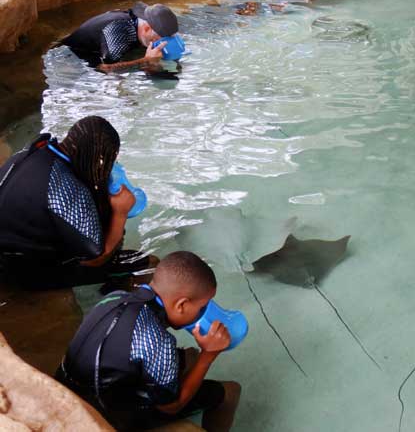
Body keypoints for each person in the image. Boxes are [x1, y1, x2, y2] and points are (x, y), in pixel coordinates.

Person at [56, 251, 241, 432]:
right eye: (202, 307)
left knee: (189, 356)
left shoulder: (117, 297)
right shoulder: (160, 343)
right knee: (230, 391)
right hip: (102, 417)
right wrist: (208, 355)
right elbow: (171, 407)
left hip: (69, 391)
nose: (204, 312)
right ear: (181, 305)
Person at [0, 115, 150, 290]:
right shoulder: (65, 188)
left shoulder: (33, 151)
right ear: (97, 159)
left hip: (10, 247)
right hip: (18, 272)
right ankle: (116, 292)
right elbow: (96, 259)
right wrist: (120, 212)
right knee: (144, 262)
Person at [59, 2, 179, 71]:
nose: (165, 41)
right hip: (69, 58)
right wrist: (146, 61)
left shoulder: (143, 18)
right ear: (147, 28)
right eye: (161, 38)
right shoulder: (119, 32)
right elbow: (106, 68)